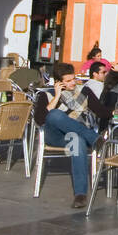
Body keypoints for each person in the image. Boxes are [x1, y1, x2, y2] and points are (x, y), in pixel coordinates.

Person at [34, 63, 103, 208]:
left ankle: (80, 195)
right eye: (68, 81)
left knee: (77, 141)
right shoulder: (46, 94)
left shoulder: (84, 91)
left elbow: (101, 111)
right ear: (58, 82)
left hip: (73, 136)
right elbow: (40, 120)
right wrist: (57, 96)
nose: (73, 83)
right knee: (53, 114)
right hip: (54, 135)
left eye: (74, 79)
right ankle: (93, 138)